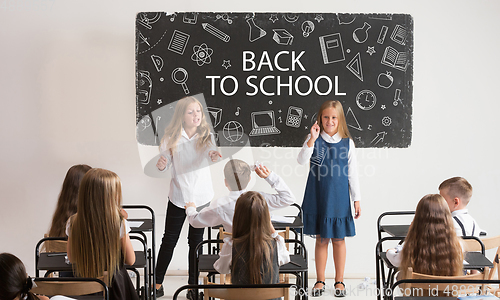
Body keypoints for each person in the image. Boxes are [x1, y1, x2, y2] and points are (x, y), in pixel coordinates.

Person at [154, 96, 221, 299]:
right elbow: (164, 163)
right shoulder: (171, 137)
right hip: (179, 195)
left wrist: (214, 155)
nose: (196, 116)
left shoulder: (207, 136)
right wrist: (162, 164)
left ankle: (193, 287)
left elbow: (212, 153)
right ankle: (156, 284)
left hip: (201, 197)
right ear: (182, 116)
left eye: (198, 112)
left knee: (196, 242)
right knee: (169, 240)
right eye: (191, 112)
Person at [297, 100, 361, 297]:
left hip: (339, 197)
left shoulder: (347, 143)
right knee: (321, 239)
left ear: (340, 119)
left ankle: (339, 281)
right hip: (318, 195)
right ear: (320, 118)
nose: (330, 121)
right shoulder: (314, 139)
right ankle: (320, 280)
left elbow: (353, 174)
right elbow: (301, 160)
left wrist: (356, 199)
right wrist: (312, 139)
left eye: (334, 117)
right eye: (326, 117)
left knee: (339, 239)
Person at [66, 168, 139, 300]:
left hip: (84, 285)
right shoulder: (119, 222)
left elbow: (72, 258)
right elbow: (131, 260)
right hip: (114, 287)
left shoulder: (73, 222)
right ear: (110, 196)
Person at [185, 159, 295, 233]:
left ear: (226, 182)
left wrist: (191, 209)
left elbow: (195, 222)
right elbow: (288, 198)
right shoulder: (260, 199)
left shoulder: (220, 205)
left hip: (234, 258)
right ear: (250, 179)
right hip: (260, 255)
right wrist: (269, 176)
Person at [213, 191, 290, 292]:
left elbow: (221, 269)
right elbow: (285, 259)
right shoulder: (277, 243)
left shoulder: (231, 245)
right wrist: (272, 229)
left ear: (237, 217)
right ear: (266, 217)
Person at [387, 194, 463, 281]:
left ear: (418, 217)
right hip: (446, 291)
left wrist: (390, 252)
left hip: (418, 291)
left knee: (400, 275)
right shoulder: (457, 245)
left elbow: (395, 261)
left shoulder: (413, 245)